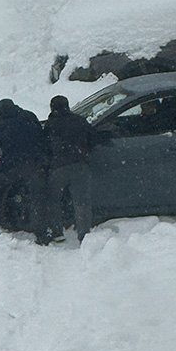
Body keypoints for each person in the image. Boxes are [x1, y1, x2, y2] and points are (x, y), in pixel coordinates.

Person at [0, 98, 48, 240]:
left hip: (12, 166)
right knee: (37, 197)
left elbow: (6, 147)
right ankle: (41, 232)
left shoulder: (1, 127)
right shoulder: (29, 116)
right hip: (35, 163)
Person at [44, 95, 103, 243]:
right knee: (82, 202)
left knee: (53, 200)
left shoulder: (51, 124)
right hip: (80, 166)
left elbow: (45, 147)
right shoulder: (79, 121)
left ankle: (57, 232)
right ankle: (84, 234)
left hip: (58, 168)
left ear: (52, 108)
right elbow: (93, 139)